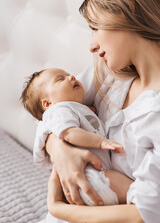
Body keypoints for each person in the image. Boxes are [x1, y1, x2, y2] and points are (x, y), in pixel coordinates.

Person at [37, 0, 160, 222]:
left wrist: (58, 208)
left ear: (126, 8)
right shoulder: (109, 77)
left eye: (95, 27)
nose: (91, 45)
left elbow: (146, 214)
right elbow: (50, 109)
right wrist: (59, 148)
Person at [20, 67, 126, 208]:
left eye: (69, 74)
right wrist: (101, 142)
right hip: (91, 177)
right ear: (47, 103)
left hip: (90, 179)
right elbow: (69, 133)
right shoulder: (60, 110)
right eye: (60, 79)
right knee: (138, 194)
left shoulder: (71, 108)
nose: (71, 77)